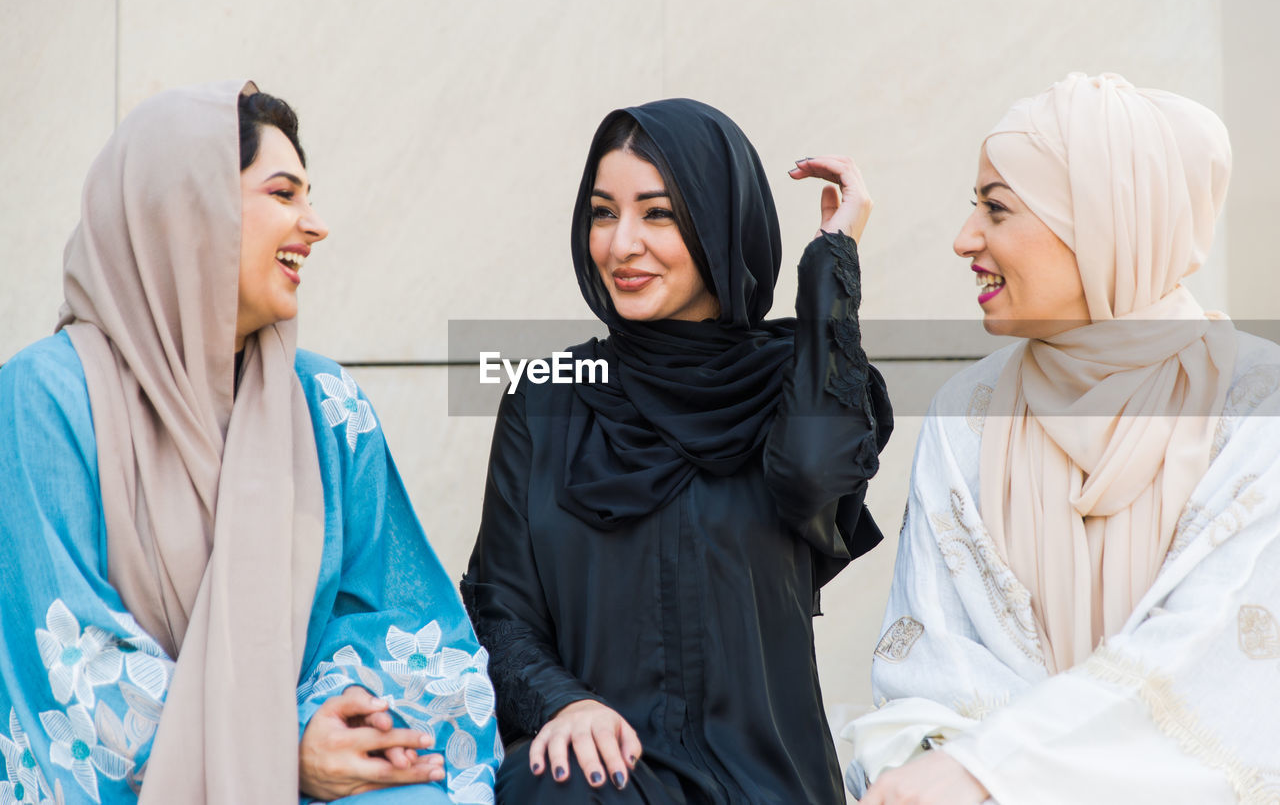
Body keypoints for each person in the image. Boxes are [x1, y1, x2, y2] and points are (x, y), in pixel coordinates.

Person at [0, 81, 500, 804]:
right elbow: (73, 671)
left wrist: (329, 727)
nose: (315, 224)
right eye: (284, 193)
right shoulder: (44, 398)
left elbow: (398, 619)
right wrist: (281, 749)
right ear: (189, 210)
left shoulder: (326, 408)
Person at [844, 73, 1280, 804]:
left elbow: (1220, 673)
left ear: (1102, 222)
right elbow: (928, 671)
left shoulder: (1253, 407)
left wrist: (999, 769)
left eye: (997, 209)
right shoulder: (969, 411)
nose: (964, 239)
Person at [462, 98, 893, 803]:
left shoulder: (802, 383)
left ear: (721, 223)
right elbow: (501, 609)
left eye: (657, 213)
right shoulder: (547, 396)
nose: (621, 243)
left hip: (764, 785)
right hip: (597, 782)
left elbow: (814, 480)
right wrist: (565, 704)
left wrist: (831, 267)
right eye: (603, 213)